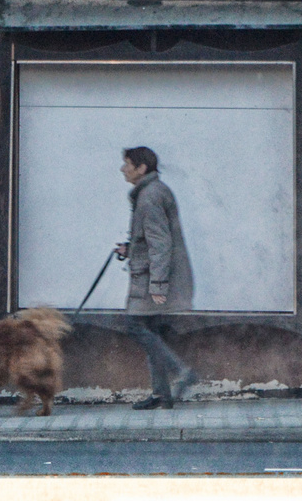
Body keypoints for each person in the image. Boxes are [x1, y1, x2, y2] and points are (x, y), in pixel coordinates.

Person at [115, 146, 197, 410]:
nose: (123, 169)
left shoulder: (150, 196)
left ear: (142, 168)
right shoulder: (151, 192)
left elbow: (160, 244)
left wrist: (158, 286)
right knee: (150, 332)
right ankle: (162, 394)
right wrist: (130, 248)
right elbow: (150, 239)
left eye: (127, 164)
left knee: (134, 326)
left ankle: (182, 372)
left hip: (152, 279)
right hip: (151, 275)